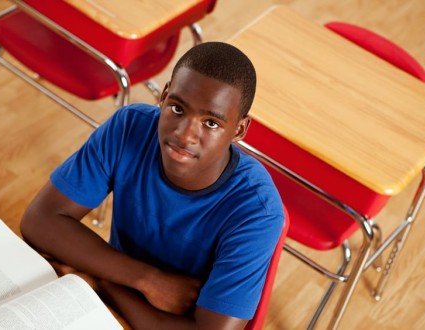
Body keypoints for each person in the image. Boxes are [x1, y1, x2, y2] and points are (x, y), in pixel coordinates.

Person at [21, 41, 284, 330]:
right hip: (110, 297)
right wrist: (147, 280)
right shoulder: (129, 127)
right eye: (177, 108)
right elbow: (39, 221)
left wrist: (104, 282)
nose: (185, 135)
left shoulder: (257, 211)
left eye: (211, 124)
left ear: (239, 130)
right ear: (165, 94)